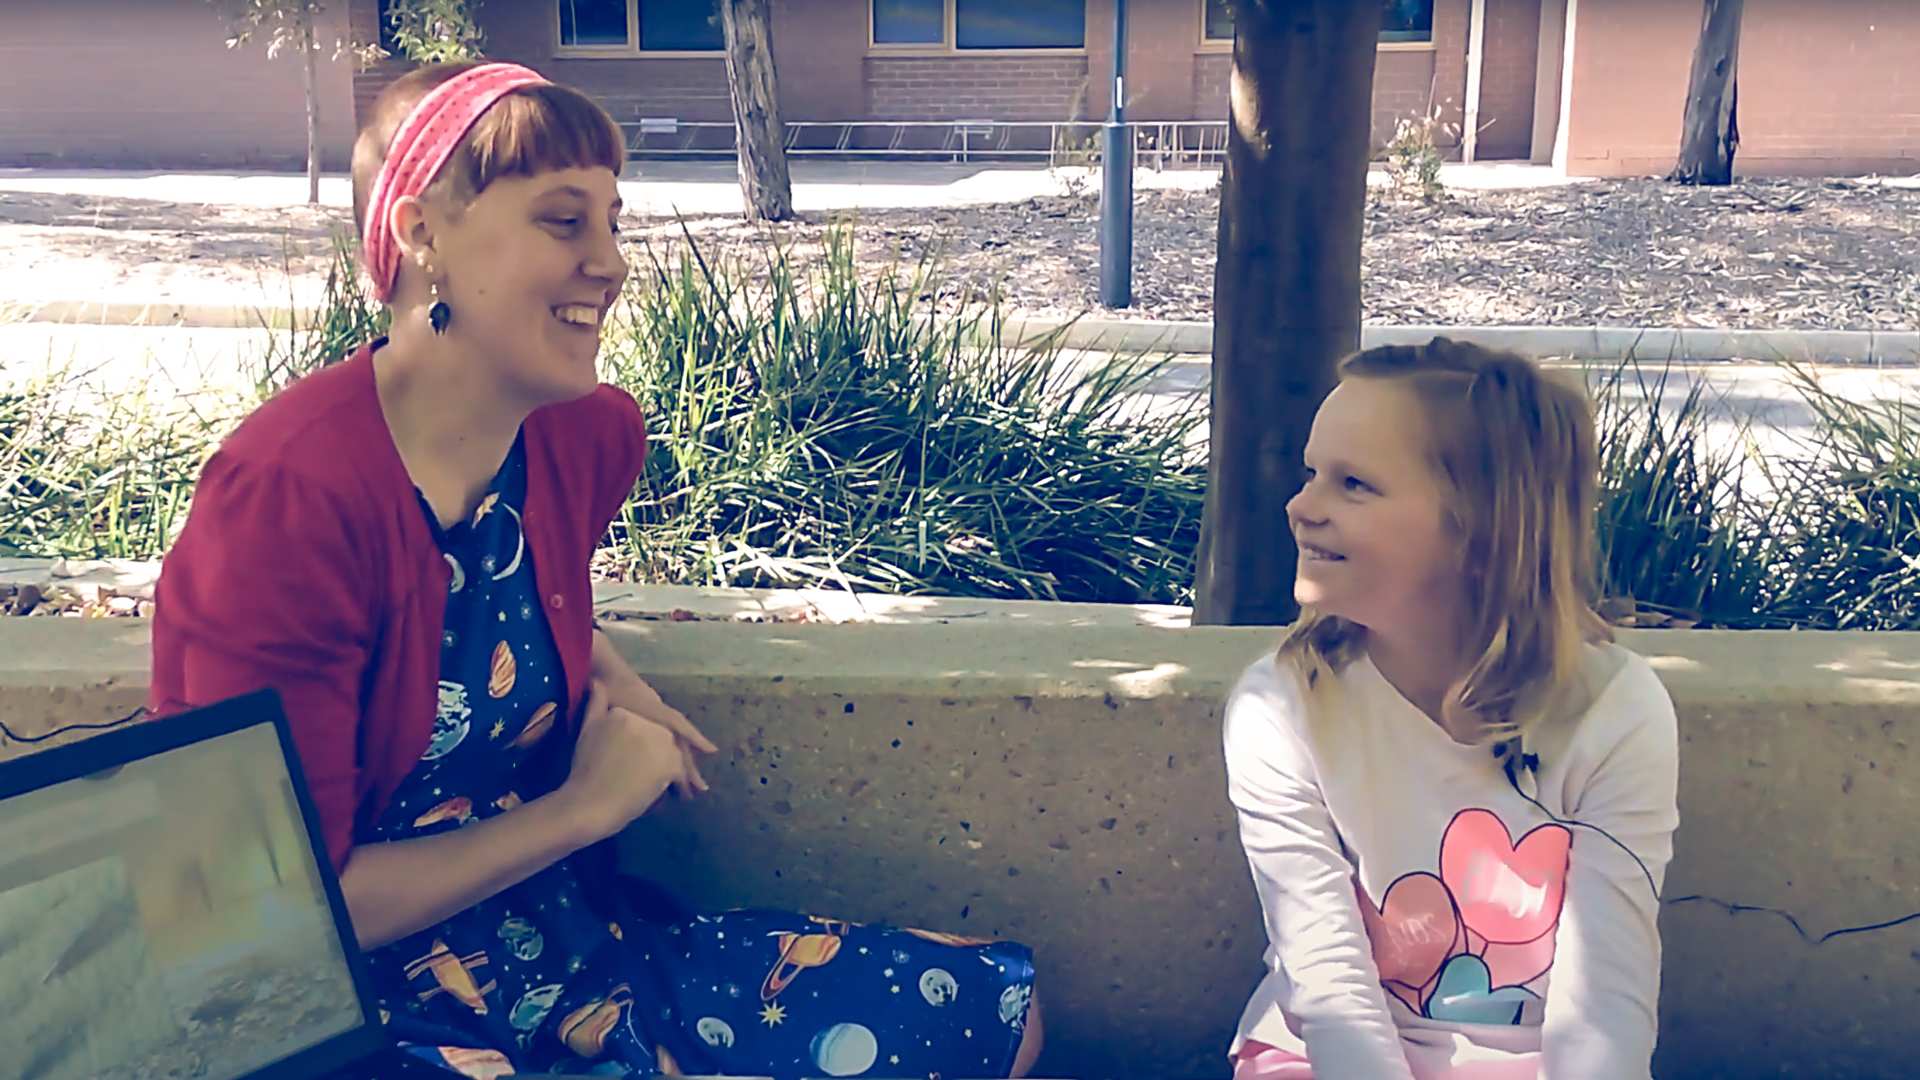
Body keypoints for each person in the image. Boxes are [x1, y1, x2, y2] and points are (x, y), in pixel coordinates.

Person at [149, 60, 1041, 1079]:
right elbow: (272, 911)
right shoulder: (287, 498)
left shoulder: (583, 439)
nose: (611, 263)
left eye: (614, 223)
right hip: (348, 1014)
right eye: (563, 221)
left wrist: (602, 665)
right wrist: (583, 808)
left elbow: (487, 599)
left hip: (562, 953)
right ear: (421, 233)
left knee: (987, 1019)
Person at [1222, 338, 1680, 1079]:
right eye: (1313, 474)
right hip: (1325, 1057)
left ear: (1478, 529)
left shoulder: (1614, 712)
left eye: (1354, 485)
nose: (1301, 506)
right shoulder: (1280, 708)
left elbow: (1606, 1000)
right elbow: (1329, 982)